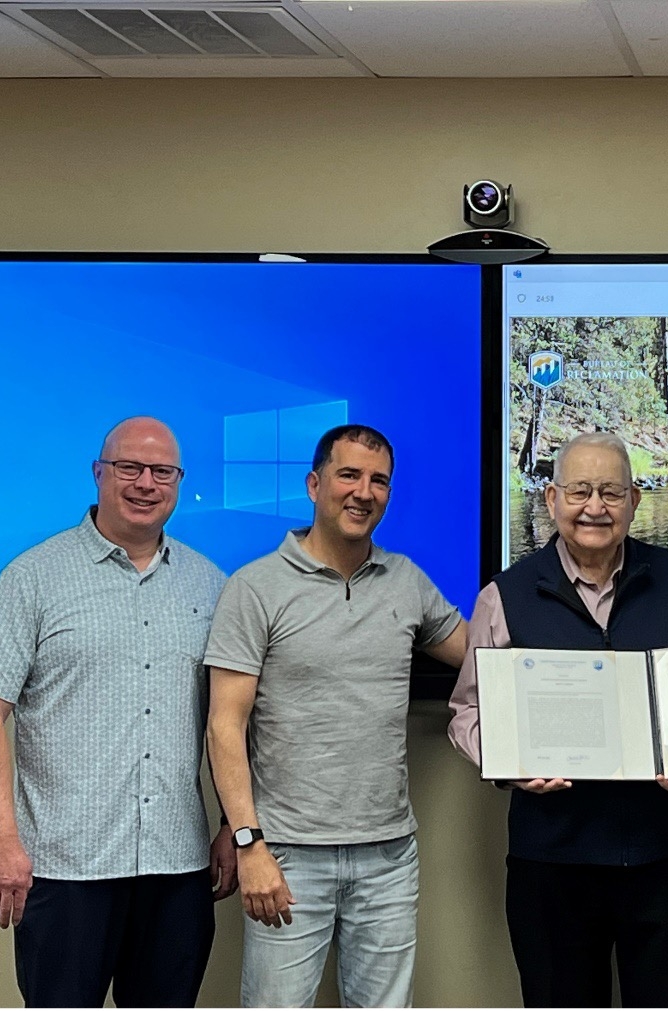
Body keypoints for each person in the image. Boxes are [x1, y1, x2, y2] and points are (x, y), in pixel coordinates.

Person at [449, 431, 668, 1008]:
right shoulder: (505, 596)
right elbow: (466, 712)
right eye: (580, 491)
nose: (595, 507)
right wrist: (508, 762)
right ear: (552, 499)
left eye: (610, 491)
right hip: (552, 864)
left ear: (634, 499)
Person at [205, 424, 467, 1008]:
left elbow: (482, 657)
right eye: (348, 475)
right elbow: (225, 726)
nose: (363, 492)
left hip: (389, 857)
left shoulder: (406, 581)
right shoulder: (255, 588)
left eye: (378, 481)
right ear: (314, 483)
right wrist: (249, 845)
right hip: (287, 856)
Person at [0, 417, 235, 1007]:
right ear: (99, 473)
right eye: (130, 467)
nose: (146, 483)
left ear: (178, 482)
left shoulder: (211, 586)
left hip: (177, 867)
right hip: (66, 867)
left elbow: (234, 717)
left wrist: (233, 824)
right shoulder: (32, 578)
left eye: (162, 471)